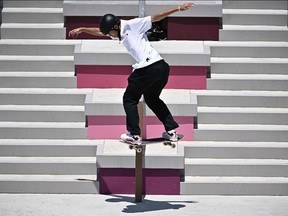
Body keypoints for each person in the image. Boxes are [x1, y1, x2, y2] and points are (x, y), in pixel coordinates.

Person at [69, 2, 195, 144]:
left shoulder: (132, 24)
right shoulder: (118, 31)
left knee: (129, 98)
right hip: (161, 67)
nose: (109, 36)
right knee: (152, 98)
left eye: (110, 33)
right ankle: (171, 132)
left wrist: (178, 8)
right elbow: (101, 32)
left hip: (148, 67)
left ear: (115, 27)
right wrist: (83, 29)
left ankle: (134, 135)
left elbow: (155, 17)